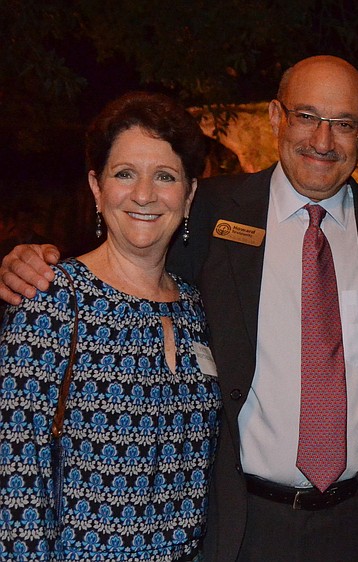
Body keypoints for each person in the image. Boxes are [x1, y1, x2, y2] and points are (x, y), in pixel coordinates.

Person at [0, 55, 358, 561]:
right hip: (241, 527)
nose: (323, 140)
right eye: (307, 116)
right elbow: (130, 241)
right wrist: (28, 259)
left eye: (343, 124)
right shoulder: (207, 211)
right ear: (276, 117)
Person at [0, 91, 219, 560]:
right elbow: (15, 484)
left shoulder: (198, 309)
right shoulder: (51, 300)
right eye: (125, 174)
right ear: (97, 188)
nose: (144, 194)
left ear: (189, 194)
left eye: (165, 176)